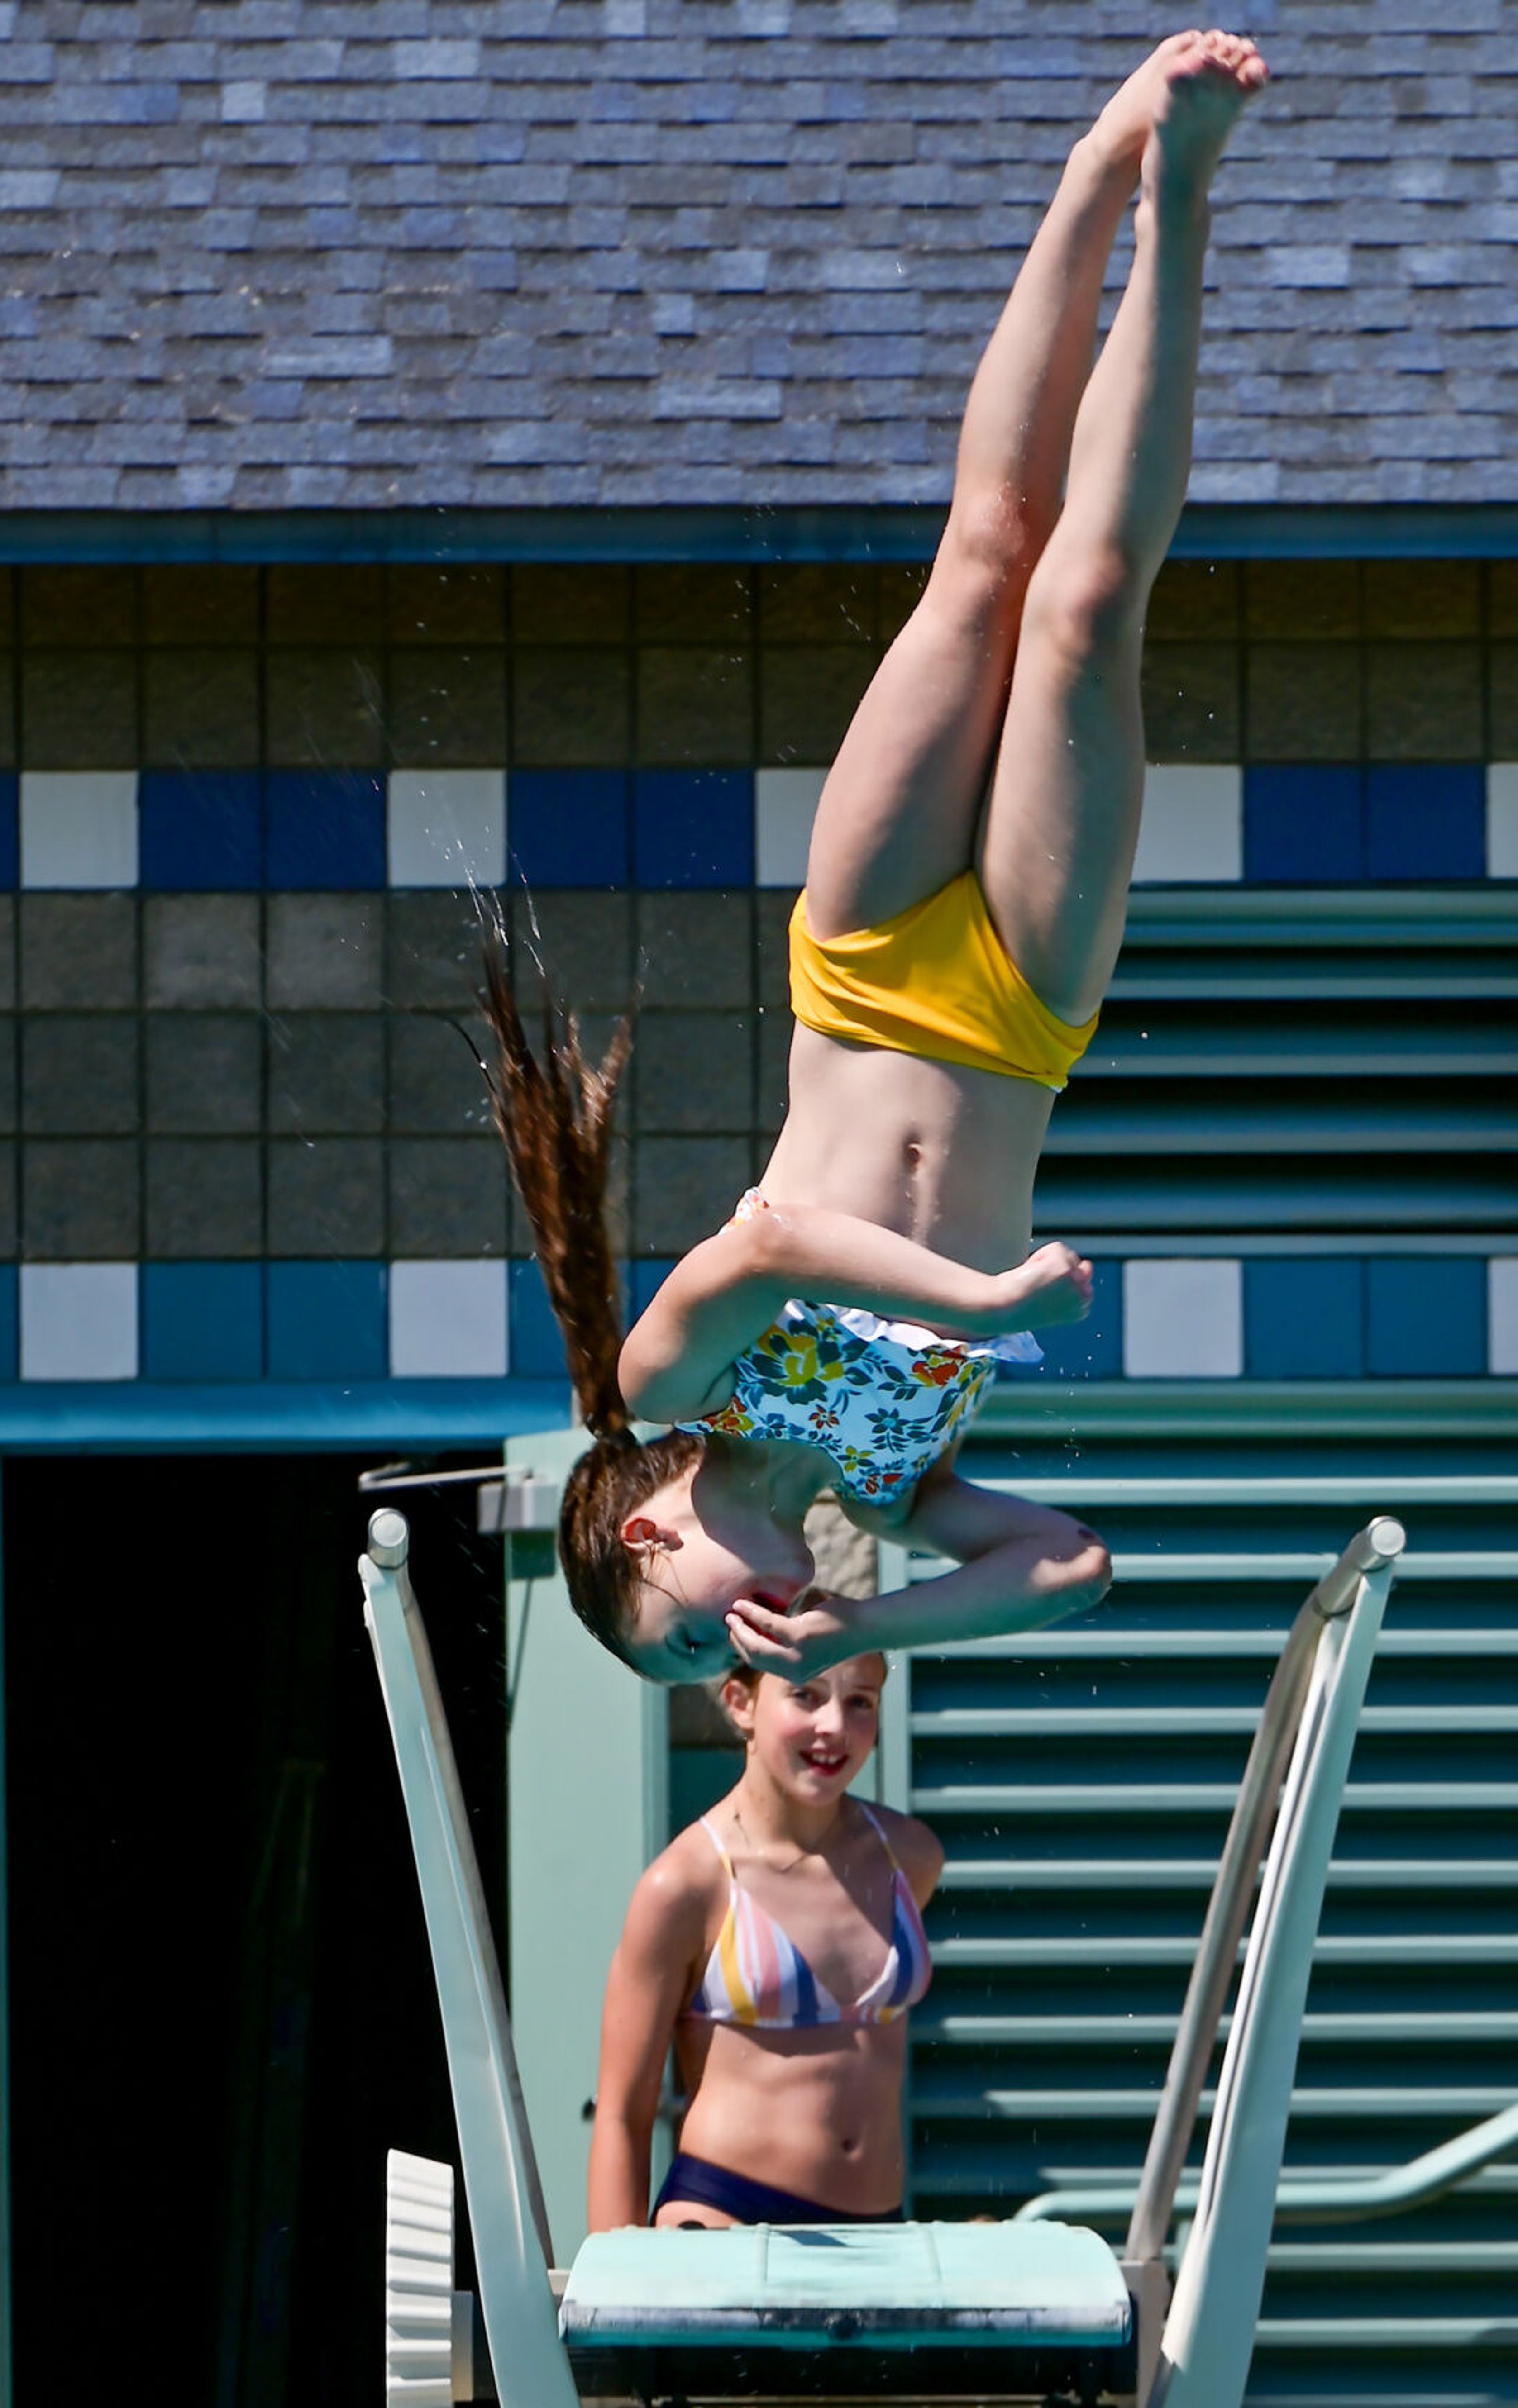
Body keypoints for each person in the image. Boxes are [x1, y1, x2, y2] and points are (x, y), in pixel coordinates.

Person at [477, 34, 1269, 1683]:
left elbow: (771, 1240)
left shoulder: (667, 1379)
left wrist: (974, 1315)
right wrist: (872, 1610)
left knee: (986, 564)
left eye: (707, 1644)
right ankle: (1180, 204)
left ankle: (1101, 156)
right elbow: (1069, 1563)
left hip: (869, 963)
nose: (749, 1654)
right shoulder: (889, 1483)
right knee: (1088, 605)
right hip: (1020, 1015)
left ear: (647, 1533)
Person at [586, 1652, 942, 2230]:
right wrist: (612, 2304)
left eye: (860, 1702)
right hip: (725, 2220)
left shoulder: (911, 1856)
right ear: (741, 1704)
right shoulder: (686, 1884)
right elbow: (623, 2114)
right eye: (807, 1695)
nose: (834, 1725)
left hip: (878, 2232)